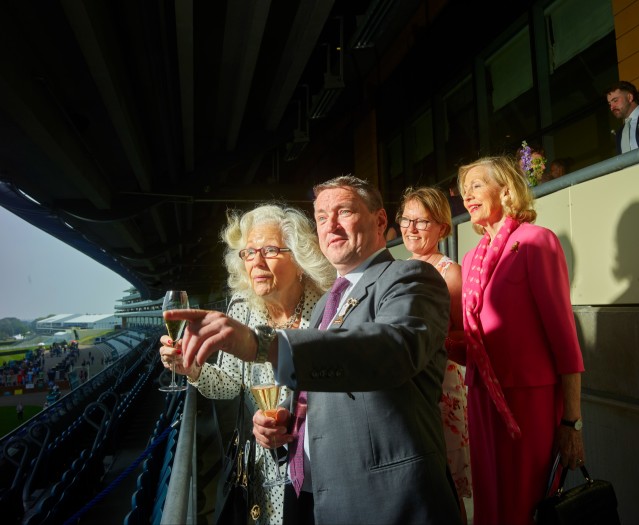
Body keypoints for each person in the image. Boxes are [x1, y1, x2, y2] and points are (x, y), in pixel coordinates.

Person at [165, 175, 462, 525]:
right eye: (321, 217)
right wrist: (285, 426)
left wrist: (264, 343)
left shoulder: (410, 277)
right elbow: (317, 392)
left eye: (344, 211)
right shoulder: (327, 305)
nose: (330, 225)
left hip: (387, 501)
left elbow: (391, 349)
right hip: (319, 496)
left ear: (381, 220)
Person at [159, 203, 335, 525]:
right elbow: (228, 384)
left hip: (321, 461)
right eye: (249, 252)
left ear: (297, 258)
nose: (256, 261)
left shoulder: (326, 307)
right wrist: (191, 368)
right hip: (264, 468)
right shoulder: (242, 308)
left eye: (269, 250)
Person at [457, 156, 585, 525]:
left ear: (507, 189)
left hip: (530, 401)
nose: (467, 196)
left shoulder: (535, 241)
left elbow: (565, 339)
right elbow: (478, 339)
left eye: (477, 185)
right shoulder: (471, 257)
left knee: (523, 507)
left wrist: (572, 422)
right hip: (482, 398)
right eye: (465, 190)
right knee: (489, 506)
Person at [396, 186, 471, 522]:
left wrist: (427, 340)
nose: (411, 229)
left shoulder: (449, 271)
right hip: (408, 387)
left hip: (443, 385)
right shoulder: (395, 270)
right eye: (406, 220)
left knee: (447, 476)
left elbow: (463, 334)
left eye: (421, 222)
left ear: (442, 226)